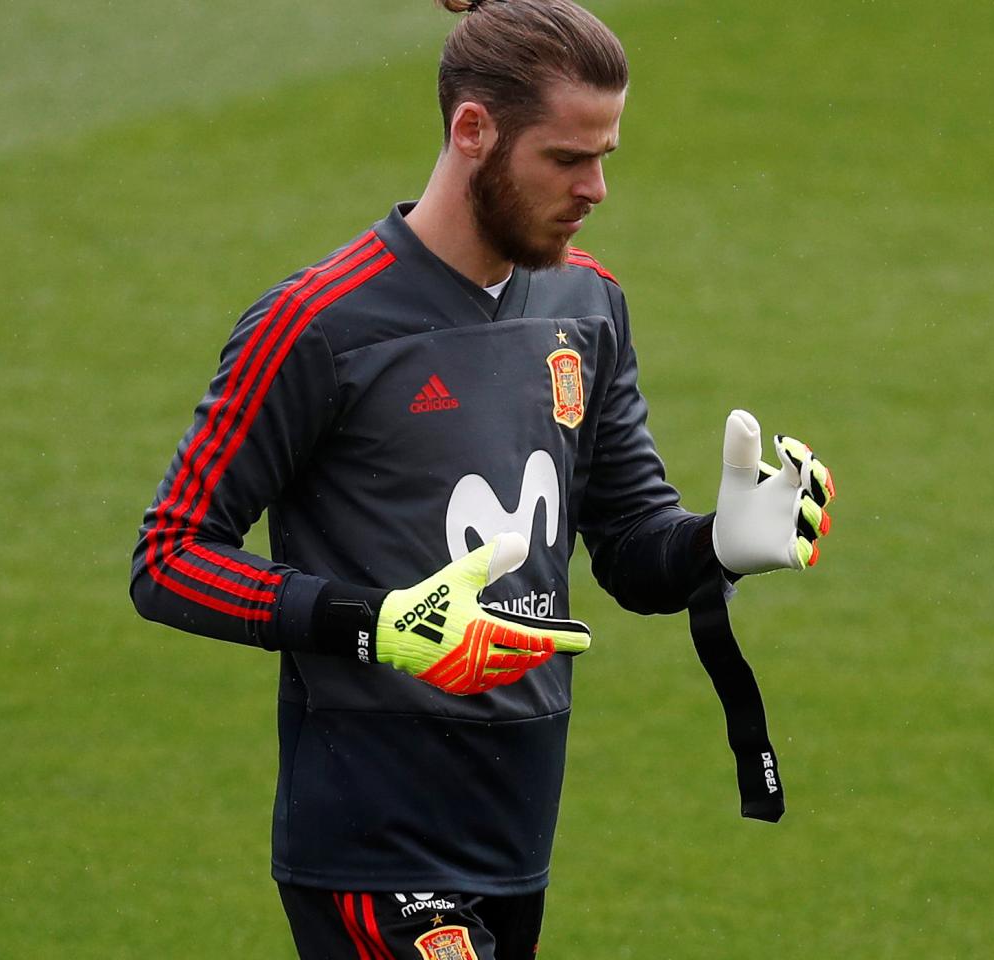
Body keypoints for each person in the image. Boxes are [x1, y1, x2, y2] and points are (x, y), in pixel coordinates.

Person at [129, 1, 834, 956]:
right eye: (566, 159)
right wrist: (375, 625)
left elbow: (630, 550)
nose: (596, 189)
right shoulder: (317, 325)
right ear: (473, 130)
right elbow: (169, 559)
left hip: (516, 826)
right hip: (372, 839)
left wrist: (718, 545)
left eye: (606, 156)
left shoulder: (589, 303)